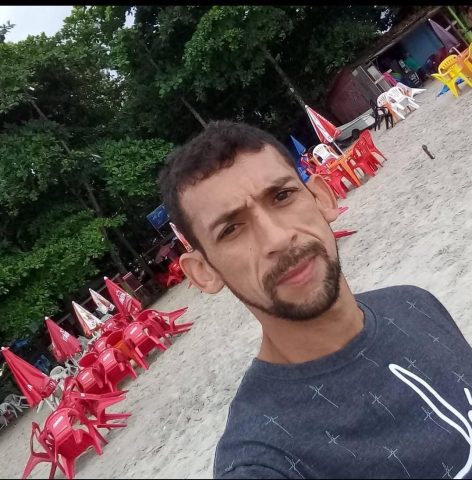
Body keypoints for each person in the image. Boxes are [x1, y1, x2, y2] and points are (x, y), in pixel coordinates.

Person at [159, 121, 472, 479]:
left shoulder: (415, 304)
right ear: (203, 272)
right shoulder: (262, 462)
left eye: (282, 196)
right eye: (230, 229)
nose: (277, 238)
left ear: (323, 198)